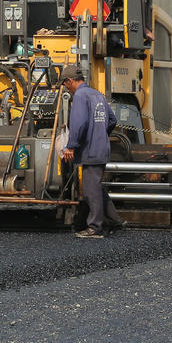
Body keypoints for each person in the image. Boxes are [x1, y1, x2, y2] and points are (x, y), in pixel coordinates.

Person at [60, 64, 118, 238]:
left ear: (70, 81)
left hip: (90, 150)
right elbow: (112, 120)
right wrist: (101, 134)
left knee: (90, 190)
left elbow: (79, 123)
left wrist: (71, 145)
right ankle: (115, 220)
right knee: (96, 186)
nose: (65, 88)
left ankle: (95, 227)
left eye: (65, 83)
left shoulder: (80, 96)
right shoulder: (97, 94)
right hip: (101, 148)